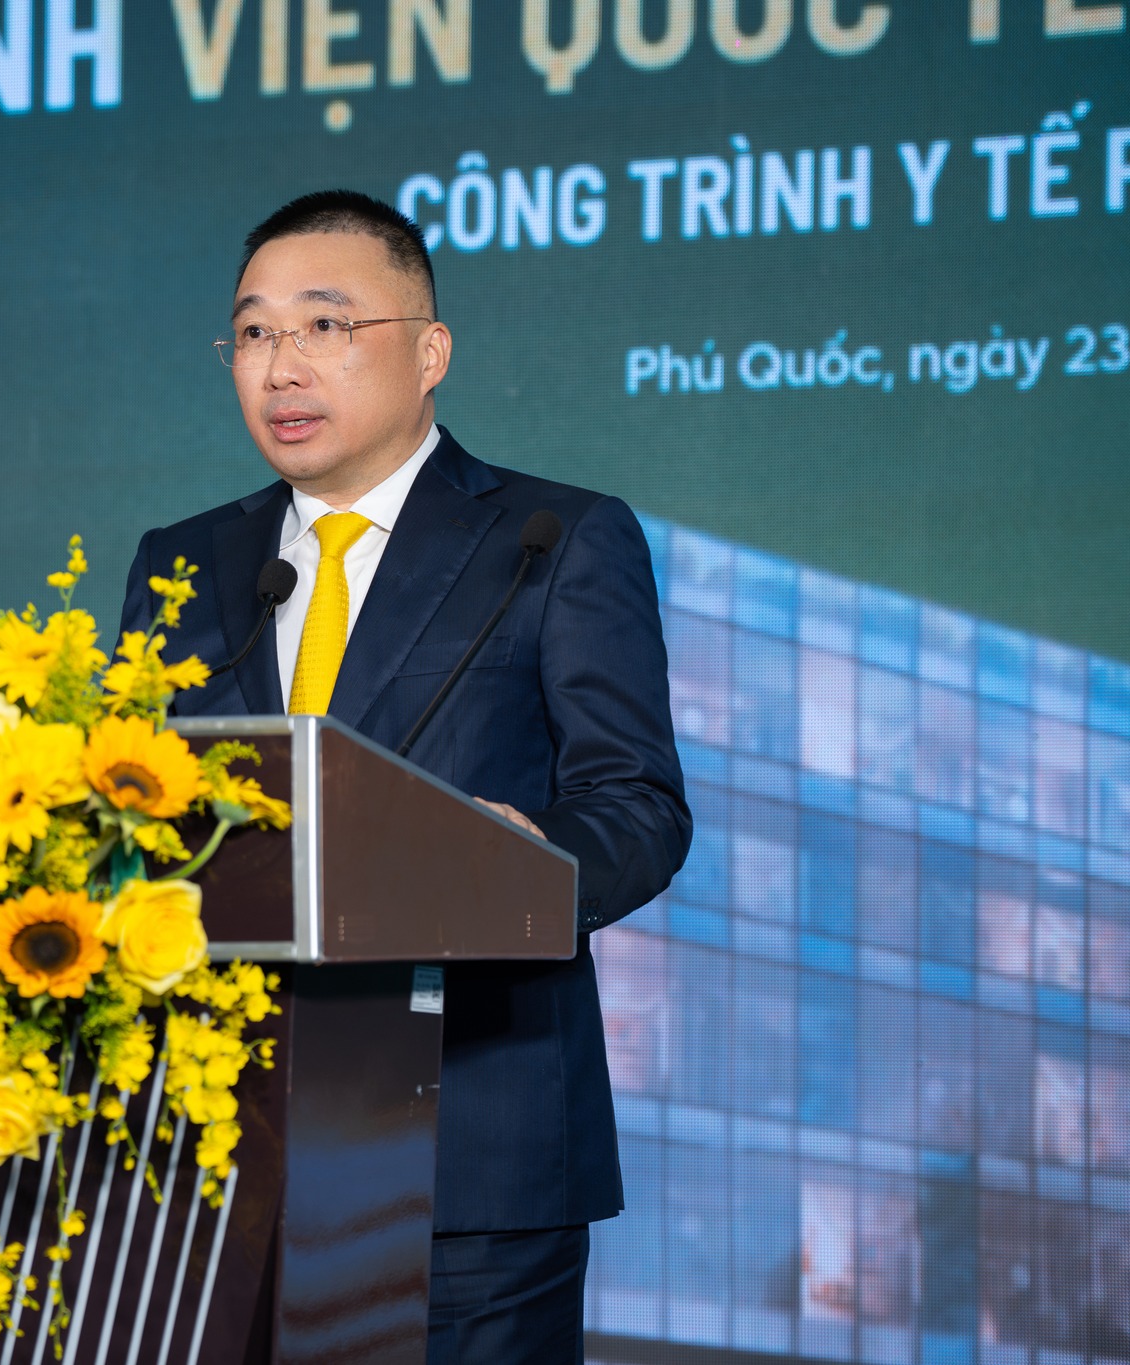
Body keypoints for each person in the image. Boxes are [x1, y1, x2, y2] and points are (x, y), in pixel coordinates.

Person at [118, 190, 691, 1363]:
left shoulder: (551, 538)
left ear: (428, 353)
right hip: (220, 1161)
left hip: (467, 1152)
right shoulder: (184, 562)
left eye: (324, 326)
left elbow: (636, 806)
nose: (280, 365)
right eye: (253, 332)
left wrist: (515, 859)